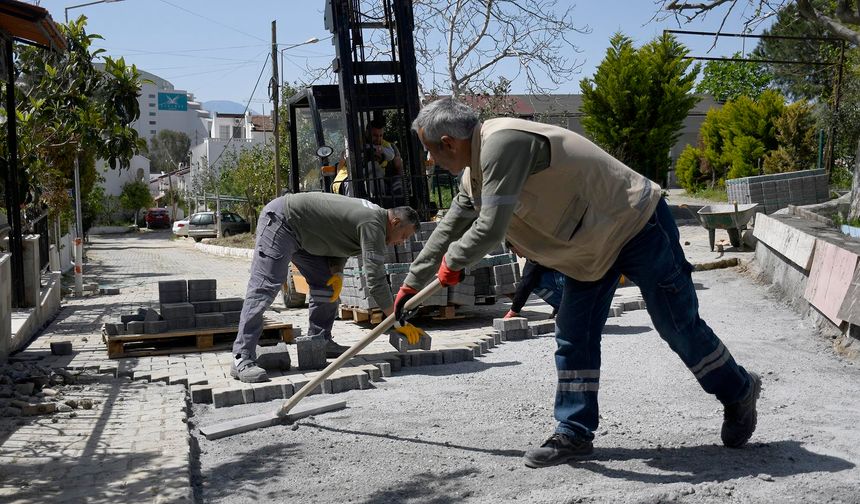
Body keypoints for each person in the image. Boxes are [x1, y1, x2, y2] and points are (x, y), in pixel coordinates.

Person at [393, 97, 761, 468]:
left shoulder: (503, 143)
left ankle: (739, 390)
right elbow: (448, 229)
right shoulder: (473, 176)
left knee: (676, 324)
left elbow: (489, 229)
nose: (429, 162)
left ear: (449, 143)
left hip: (634, 223)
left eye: (429, 152)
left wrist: (454, 265)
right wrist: (411, 285)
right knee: (574, 332)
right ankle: (573, 432)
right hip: (589, 250)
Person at [231, 192, 425, 383]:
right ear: (396, 222)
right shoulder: (374, 223)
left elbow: (339, 239)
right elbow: (376, 280)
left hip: (303, 234)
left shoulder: (374, 219)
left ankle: (320, 341)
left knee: (327, 283)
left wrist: (337, 272)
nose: (402, 242)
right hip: (283, 222)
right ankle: (242, 357)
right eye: (404, 235)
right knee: (265, 287)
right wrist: (397, 319)